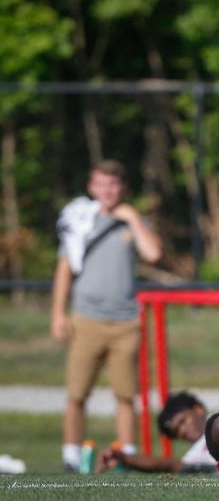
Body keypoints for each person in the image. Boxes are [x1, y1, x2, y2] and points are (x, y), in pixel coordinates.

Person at [50, 160, 162, 471]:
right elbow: (64, 270)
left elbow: (153, 253)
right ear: (91, 187)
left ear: (122, 188)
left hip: (126, 322)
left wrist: (132, 218)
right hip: (85, 320)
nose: (107, 190)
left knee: (125, 395)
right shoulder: (80, 222)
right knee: (76, 393)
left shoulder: (132, 221)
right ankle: (71, 456)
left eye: (113, 184)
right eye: (101, 184)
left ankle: (126, 455)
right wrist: (58, 314)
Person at [96, 391, 219, 473]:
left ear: (198, 409)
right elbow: (169, 464)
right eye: (178, 432)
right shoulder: (196, 455)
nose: (183, 431)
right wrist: (125, 458)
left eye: (183, 422)